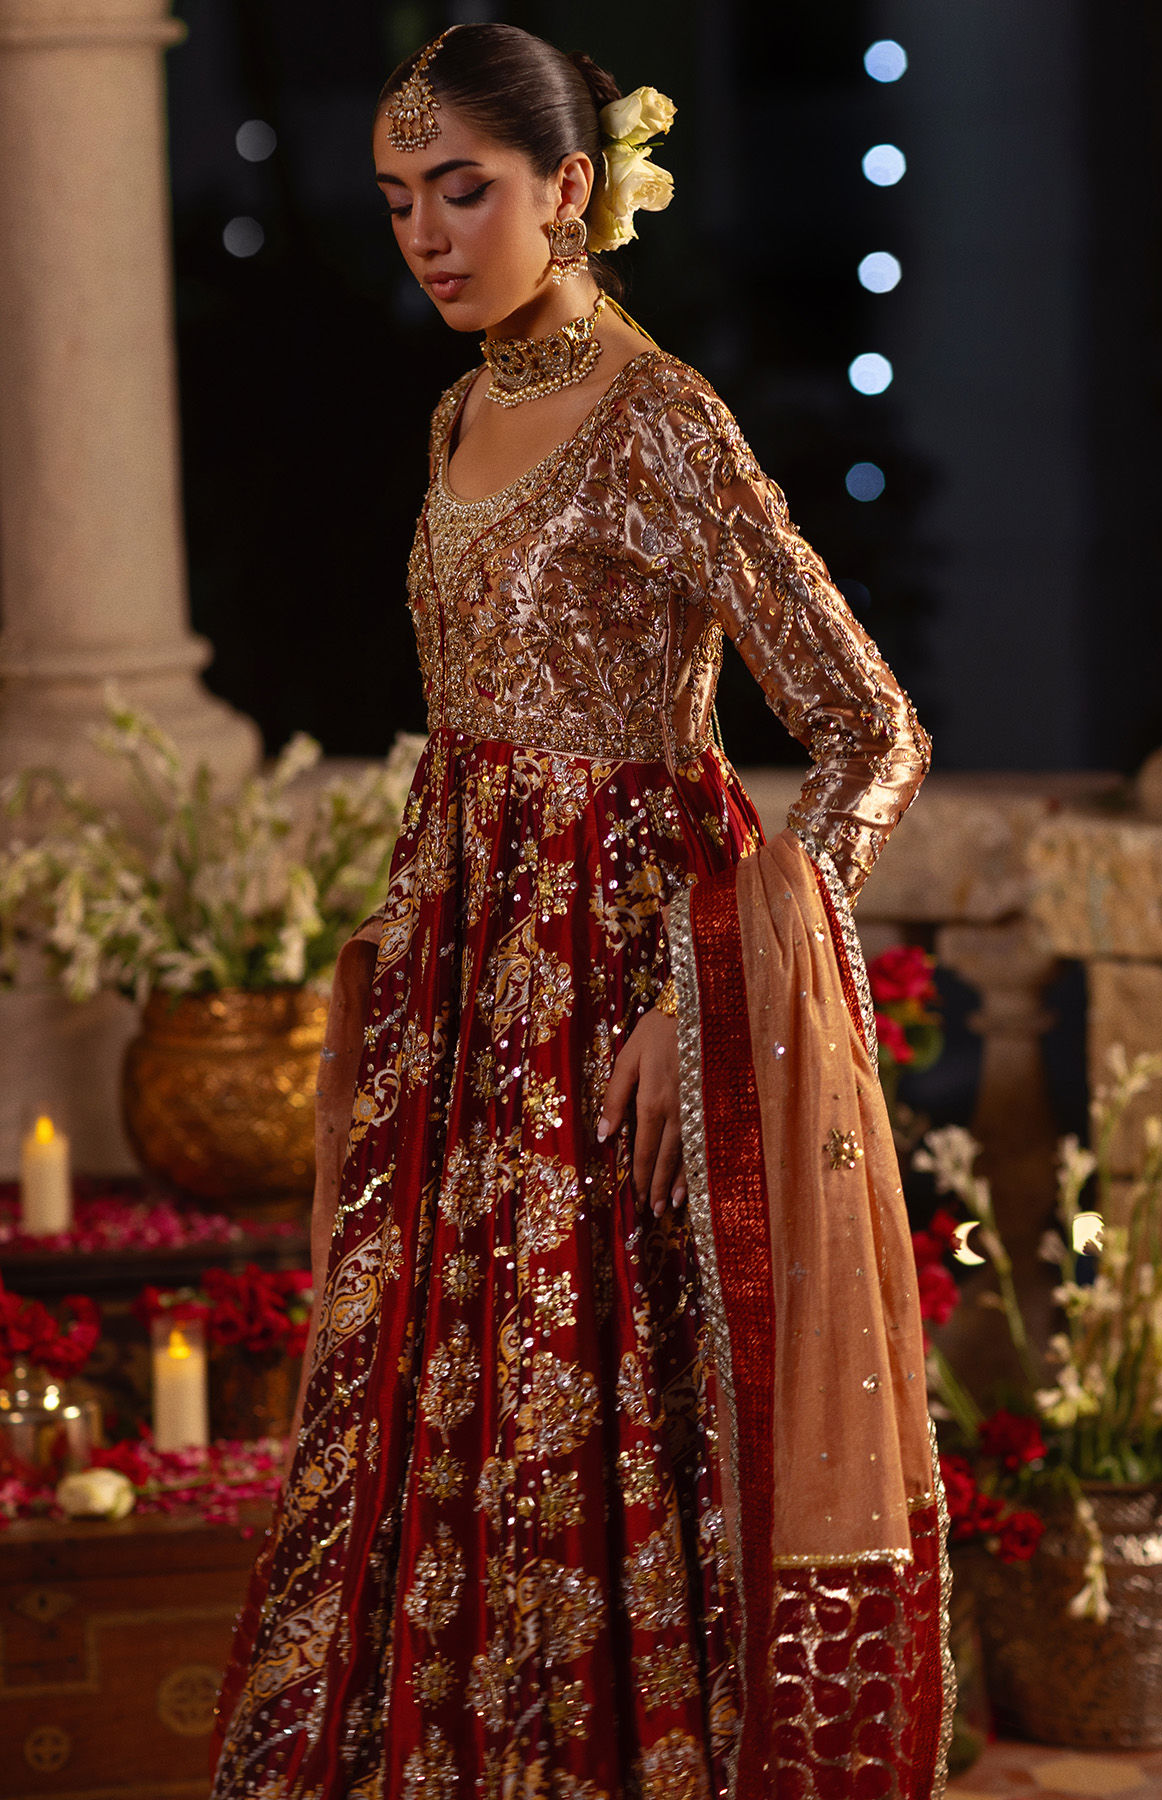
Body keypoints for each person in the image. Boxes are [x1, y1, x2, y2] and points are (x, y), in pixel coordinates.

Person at [211, 23, 951, 1800]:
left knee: (597, 1399)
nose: (426, 233)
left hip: (619, 997)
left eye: (463, 190)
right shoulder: (460, 405)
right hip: (469, 989)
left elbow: (873, 730)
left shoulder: (661, 421)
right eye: (398, 197)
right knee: (440, 1396)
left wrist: (710, 1003)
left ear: (570, 188)